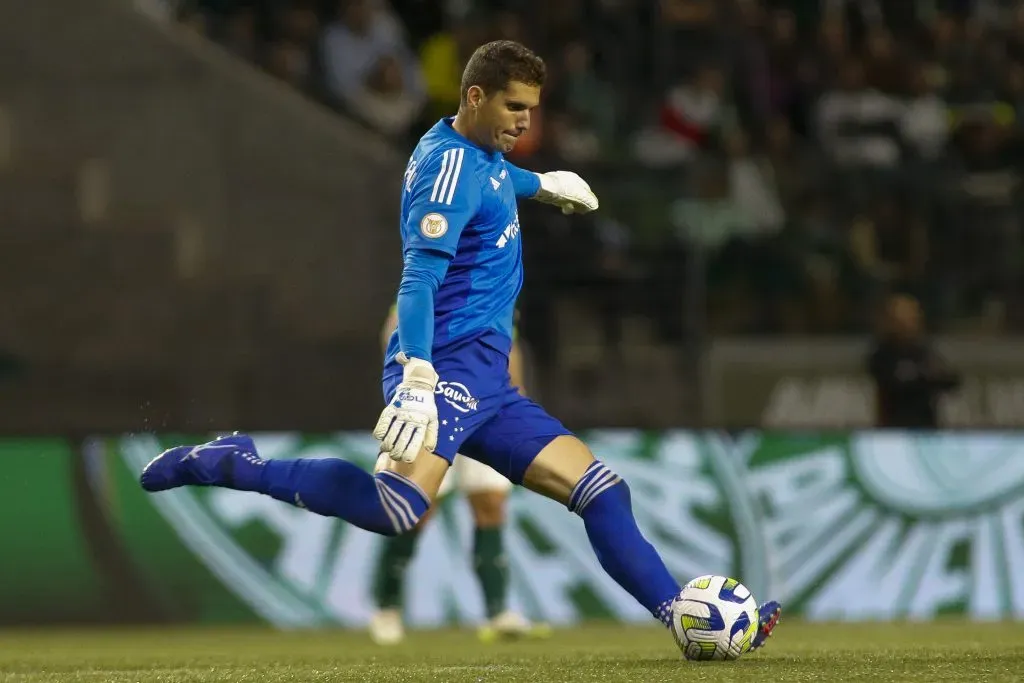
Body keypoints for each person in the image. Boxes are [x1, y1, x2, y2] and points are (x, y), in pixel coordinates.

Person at [139, 40, 781, 653]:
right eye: (513, 108)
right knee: (396, 510)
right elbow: (418, 278)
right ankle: (230, 463)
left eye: (531, 109)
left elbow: (496, 179)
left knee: (602, 491)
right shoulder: (447, 173)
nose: (524, 121)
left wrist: (544, 184)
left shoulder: (480, 155)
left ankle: (679, 614)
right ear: (474, 96)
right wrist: (416, 370)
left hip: (490, 381)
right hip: (442, 369)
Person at [369, 305, 543, 644]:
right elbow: (393, 330)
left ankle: (497, 613)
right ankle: (386, 608)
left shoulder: (494, 282)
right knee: (415, 509)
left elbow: (511, 346)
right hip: (433, 410)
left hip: (486, 408)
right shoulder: (430, 278)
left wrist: (518, 396)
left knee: (490, 503)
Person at [867, 293, 961, 427]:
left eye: (912, 316)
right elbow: (896, 383)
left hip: (926, 427)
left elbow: (951, 380)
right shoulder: (882, 354)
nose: (909, 323)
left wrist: (924, 377)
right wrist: (925, 377)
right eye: (903, 317)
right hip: (893, 428)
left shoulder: (925, 351)